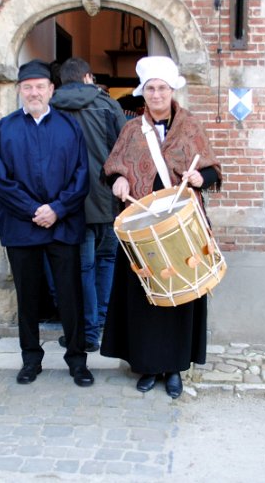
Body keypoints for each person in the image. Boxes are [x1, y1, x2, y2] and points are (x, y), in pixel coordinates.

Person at [101, 56, 222, 399]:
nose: (156, 94)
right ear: (143, 93)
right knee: (144, 298)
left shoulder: (191, 127)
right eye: (150, 88)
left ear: (172, 91)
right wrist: (119, 181)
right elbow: (109, 169)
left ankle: (174, 369)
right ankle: (147, 365)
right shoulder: (130, 130)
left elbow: (213, 171)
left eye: (162, 88)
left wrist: (200, 177)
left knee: (180, 297)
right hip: (142, 227)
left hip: (181, 225)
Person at [0, 59, 94, 388]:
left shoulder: (69, 127)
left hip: (62, 224)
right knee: (28, 298)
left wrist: (57, 209)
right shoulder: (4, 129)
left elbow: (81, 175)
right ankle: (30, 359)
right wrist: (34, 209)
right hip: (21, 227)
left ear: (51, 90)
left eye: (40, 87)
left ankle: (77, 360)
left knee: (70, 296)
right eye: (28, 87)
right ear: (20, 90)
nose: (34, 92)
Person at [50, 57, 128, 352]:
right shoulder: (108, 104)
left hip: (71, 202)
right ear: (88, 77)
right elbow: (124, 150)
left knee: (83, 267)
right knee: (107, 260)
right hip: (108, 199)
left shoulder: (50, 107)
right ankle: (102, 325)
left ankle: (89, 331)